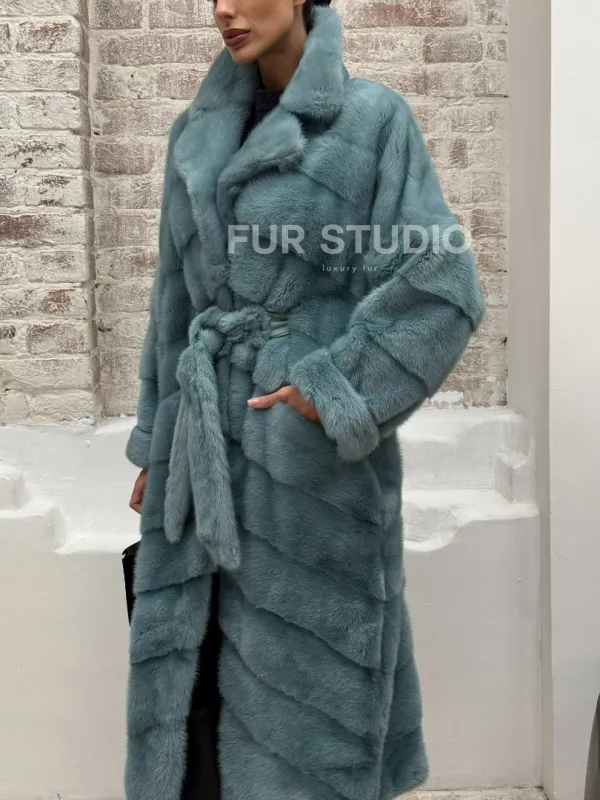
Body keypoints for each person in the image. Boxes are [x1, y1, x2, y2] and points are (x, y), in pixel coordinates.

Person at [125, 0, 486, 799]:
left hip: (305, 462)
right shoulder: (194, 134)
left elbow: (441, 283)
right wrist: (157, 444)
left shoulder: (371, 120)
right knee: (196, 702)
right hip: (201, 442)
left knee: (311, 708)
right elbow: (172, 305)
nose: (223, 9)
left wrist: (336, 390)